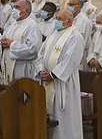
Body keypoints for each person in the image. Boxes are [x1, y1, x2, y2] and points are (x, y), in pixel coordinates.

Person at [37, 9, 84, 138]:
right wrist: (41, 70)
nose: (56, 21)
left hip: (64, 83)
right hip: (47, 81)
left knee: (64, 117)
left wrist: (53, 75)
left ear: (69, 21)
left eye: (59, 19)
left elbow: (71, 60)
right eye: (56, 18)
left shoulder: (75, 37)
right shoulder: (53, 34)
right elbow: (41, 54)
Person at [0, 0, 41, 83]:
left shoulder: (32, 26)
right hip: (9, 64)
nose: (14, 9)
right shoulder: (13, 24)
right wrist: (3, 43)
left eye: (17, 7)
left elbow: (32, 50)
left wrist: (12, 44)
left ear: (26, 10)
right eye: (14, 7)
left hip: (22, 67)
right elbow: (5, 39)